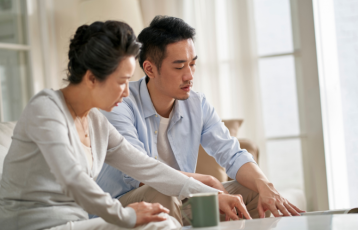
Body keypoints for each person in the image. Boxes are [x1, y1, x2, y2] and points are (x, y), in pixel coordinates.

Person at [0, 21, 249, 230]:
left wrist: (212, 194)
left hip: (75, 224)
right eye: (122, 81)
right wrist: (127, 216)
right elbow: (73, 179)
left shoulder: (96, 123)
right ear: (92, 78)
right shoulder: (45, 109)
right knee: (158, 223)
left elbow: (147, 167)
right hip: (34, 226)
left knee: (162, 221)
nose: (127, 92)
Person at [96, 16, 305, 225]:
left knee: (253, 191)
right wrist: (209, 183)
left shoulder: (197, 104)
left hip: (182, 199)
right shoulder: (120, 102)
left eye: (192, 64)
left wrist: (264, 185)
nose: (189, 75)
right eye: (179, 67)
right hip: (122, 208)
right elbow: (142, 172)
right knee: (161, 191)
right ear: (150, 69)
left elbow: (232, 154)